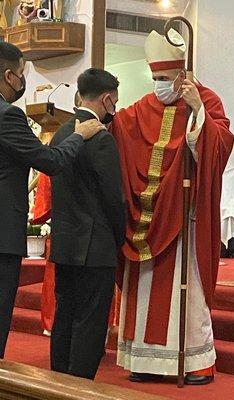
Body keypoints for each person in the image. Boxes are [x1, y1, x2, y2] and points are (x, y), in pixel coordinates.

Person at [112, 29, 234, 385]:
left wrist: (197, 112)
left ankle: (194, 360)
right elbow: (119, 128)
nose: (159, 85)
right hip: (146, 220)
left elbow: (219, 147)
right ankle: (145, 360)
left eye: (165, 78)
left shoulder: (207, 101)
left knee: (188, 289)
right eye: (155, 78)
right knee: (146, 289)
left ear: (183, 76)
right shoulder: (141, 109)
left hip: (185, 216)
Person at [0, 42, 102, 358]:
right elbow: (52, 161)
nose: (21, 81)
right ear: (8, 75)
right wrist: (78, 135)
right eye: (20, 75)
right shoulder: (8, 115)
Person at [49, 68, 126, 380]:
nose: (116, 109)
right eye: (115, 103)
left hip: (66, 244)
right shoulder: (102, 140)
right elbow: (113, 198)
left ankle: (55, 383)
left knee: (64, 317)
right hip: (96, 248)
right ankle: (78, 387)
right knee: (90, 324)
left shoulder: (61, 133)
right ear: (107, 100)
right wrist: (119, 237)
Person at [220, 162, 234, 258]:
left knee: (231, 215)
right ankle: (219, 249)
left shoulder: (232, 171)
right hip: (217, 203)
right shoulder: (211, 168)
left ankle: (233, 250)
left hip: (230, 203)